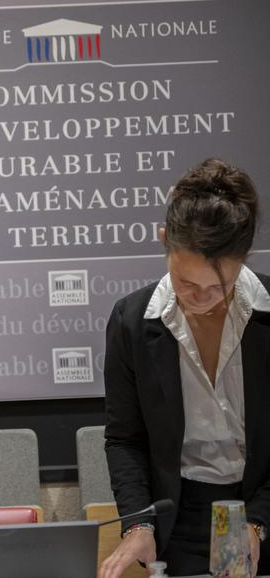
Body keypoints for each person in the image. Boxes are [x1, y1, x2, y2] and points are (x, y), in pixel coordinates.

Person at [100, 158, 269, 578]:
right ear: (164, 242)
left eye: (220, 286)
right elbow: (125, 438)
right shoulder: (133, 321)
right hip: (185, 517)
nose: (203, 299)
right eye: (186, 283)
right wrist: (138, 522)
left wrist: (257, 522)